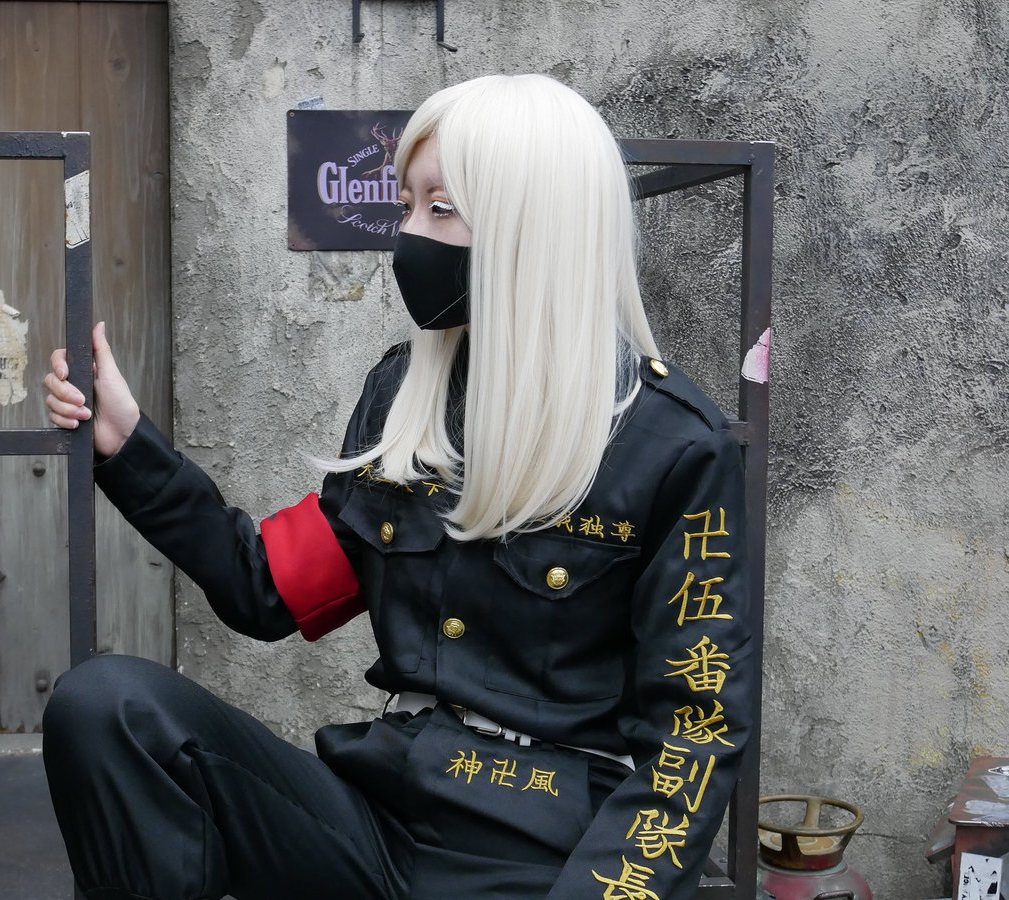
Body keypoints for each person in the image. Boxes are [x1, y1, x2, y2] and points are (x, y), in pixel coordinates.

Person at [42, 73, 754, 900]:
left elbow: (692, 741)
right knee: (105, 707)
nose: (408, 234)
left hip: (542, 850)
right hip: (381, 819)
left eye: (440, 208)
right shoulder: (403, 396)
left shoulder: (674, 446)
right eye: (407, 205)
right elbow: (268, 589)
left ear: (532, 226)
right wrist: (129, 447)